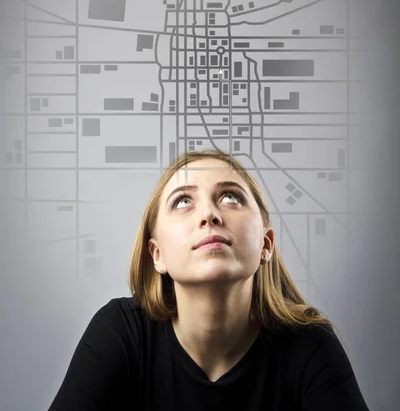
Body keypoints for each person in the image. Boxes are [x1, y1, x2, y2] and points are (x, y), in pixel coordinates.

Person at [48, 148, 370, 410]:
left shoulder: (309, 345)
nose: (209, 215)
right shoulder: (120, 333)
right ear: (156, 255)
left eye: (231, 197)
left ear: (265, 244)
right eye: (183, 201)